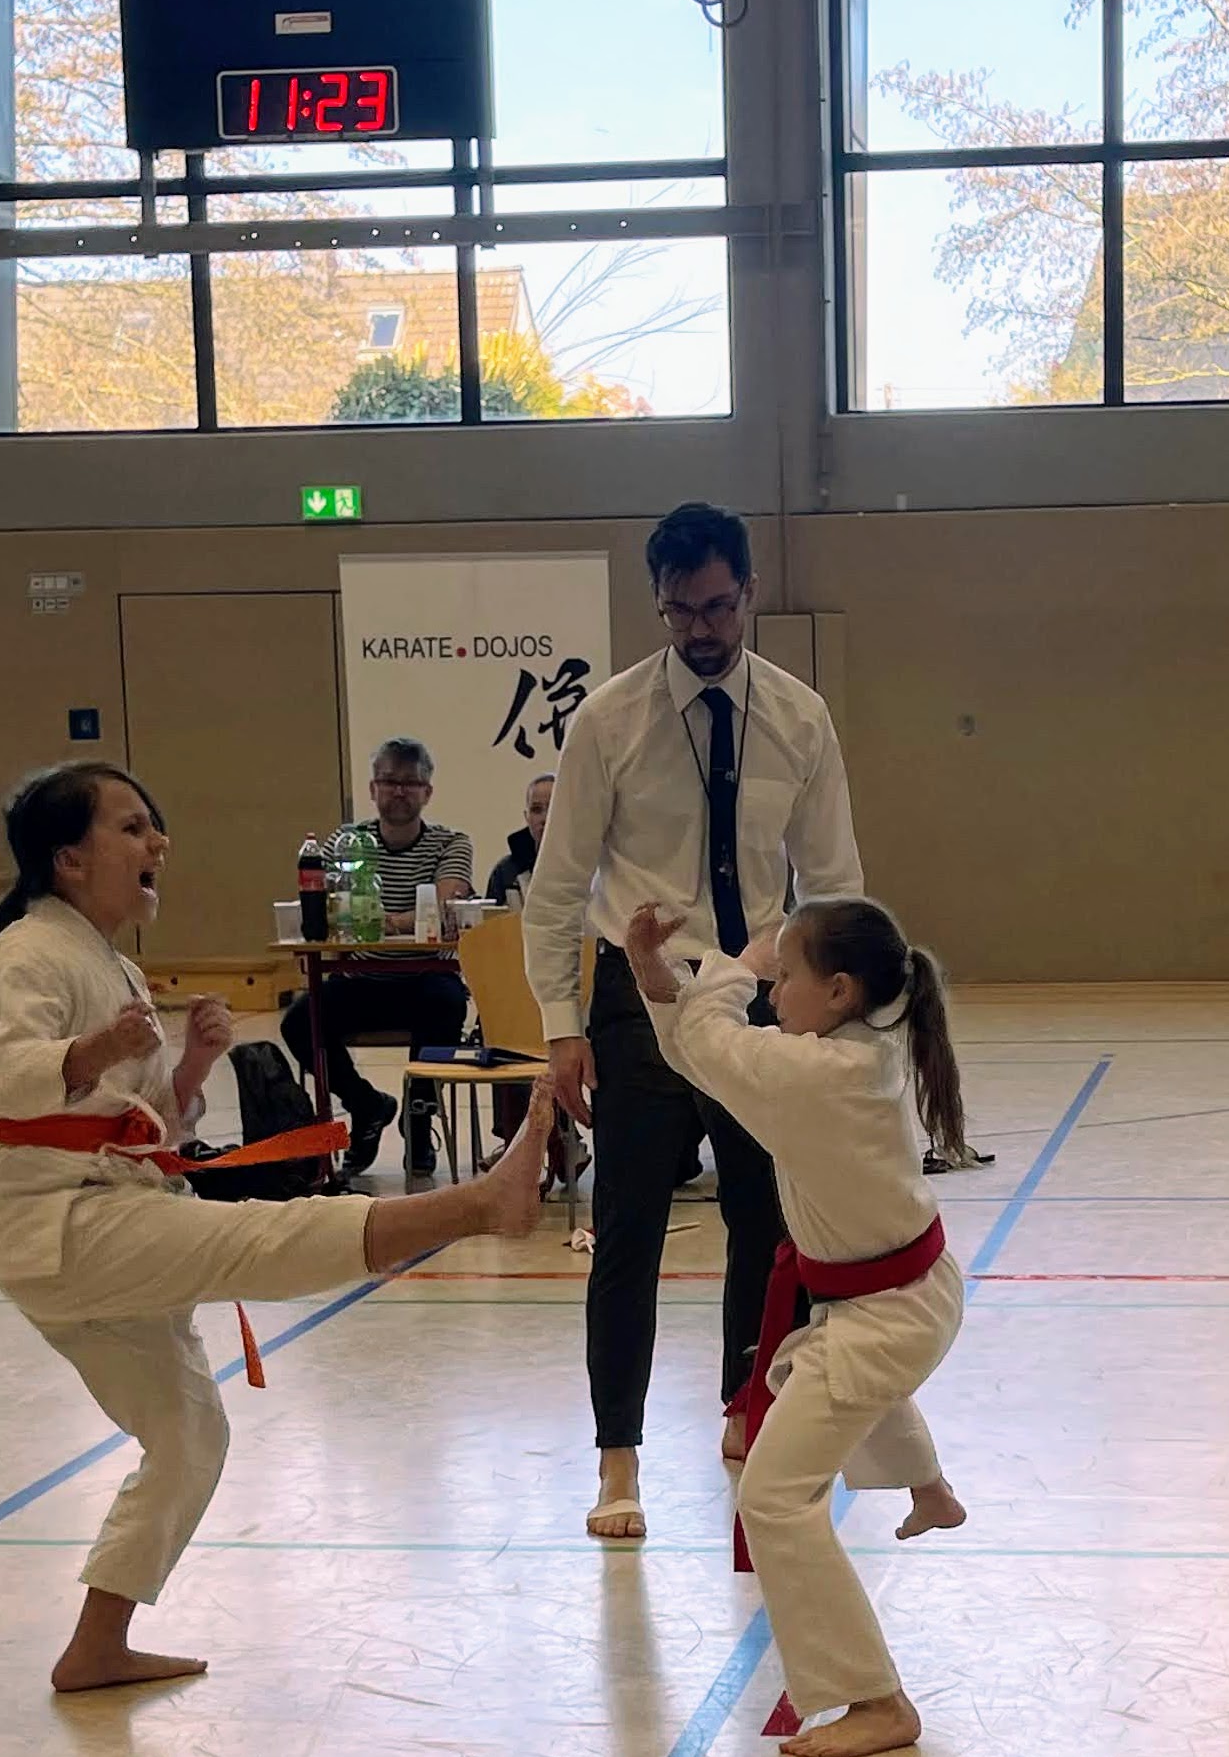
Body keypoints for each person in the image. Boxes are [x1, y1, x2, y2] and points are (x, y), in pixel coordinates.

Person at [0, 761, 551, 1694]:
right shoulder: (26, 954)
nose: (158, 844)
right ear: (70, 858)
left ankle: (96, 1645)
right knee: (258, 1241)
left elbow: (140, 1117)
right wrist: (96, 1048)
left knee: (190, 1436)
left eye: (154, 825)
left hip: (100, 1215)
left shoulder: (106, 959)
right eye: (132, 827)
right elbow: (5, 1082)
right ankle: (480, 1204)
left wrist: (191, 1066)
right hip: (62, 1222)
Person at [523, 502, 862, 1542]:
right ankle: (617, 1459)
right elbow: (556, 886)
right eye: (680, 611)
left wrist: (836, 1016)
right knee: (626, 1228)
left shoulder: (799, 717)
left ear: (749, 592)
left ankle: (746, 1407)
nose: (701, 629)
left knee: (769, 1221)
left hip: (758, 992)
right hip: (643, 994)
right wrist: (561, 1026)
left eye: (718, 606)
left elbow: (833, 880)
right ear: (658, 603)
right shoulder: (609, 720)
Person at [621, 894, 967, 1757]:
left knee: (774, 1496)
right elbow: (708, 1055)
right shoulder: (861, 1045)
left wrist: (732, 965)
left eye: (786, 977)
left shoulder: (818, 1075)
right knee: (822, 1374)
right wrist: (656, 973)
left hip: (886, 1312)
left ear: (840, 990)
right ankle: (929, 1489)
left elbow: (713, 1043)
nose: (773, 993)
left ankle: (876, 1699)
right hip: (902, 1294)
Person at [280, 737, 474, 1179]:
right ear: (373, 788)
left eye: (411, 782)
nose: (399, 791)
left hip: (426, 977)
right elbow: (333, 911)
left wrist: (379, 920)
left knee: (448, 1005)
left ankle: (419, 1119)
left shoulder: (451, 843)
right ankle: (366, 1104)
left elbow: (442, 906)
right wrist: (403, 920)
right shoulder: (345, 842)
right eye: (389, 781)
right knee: (299, 1022)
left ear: (427, 792)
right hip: (361, 979)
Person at [487, 773, 556, 908]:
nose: (545, 818)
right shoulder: (505, 871)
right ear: (527, 817)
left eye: (553, 808)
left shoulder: (588, 866)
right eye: (536, 810)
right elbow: (492, 919)